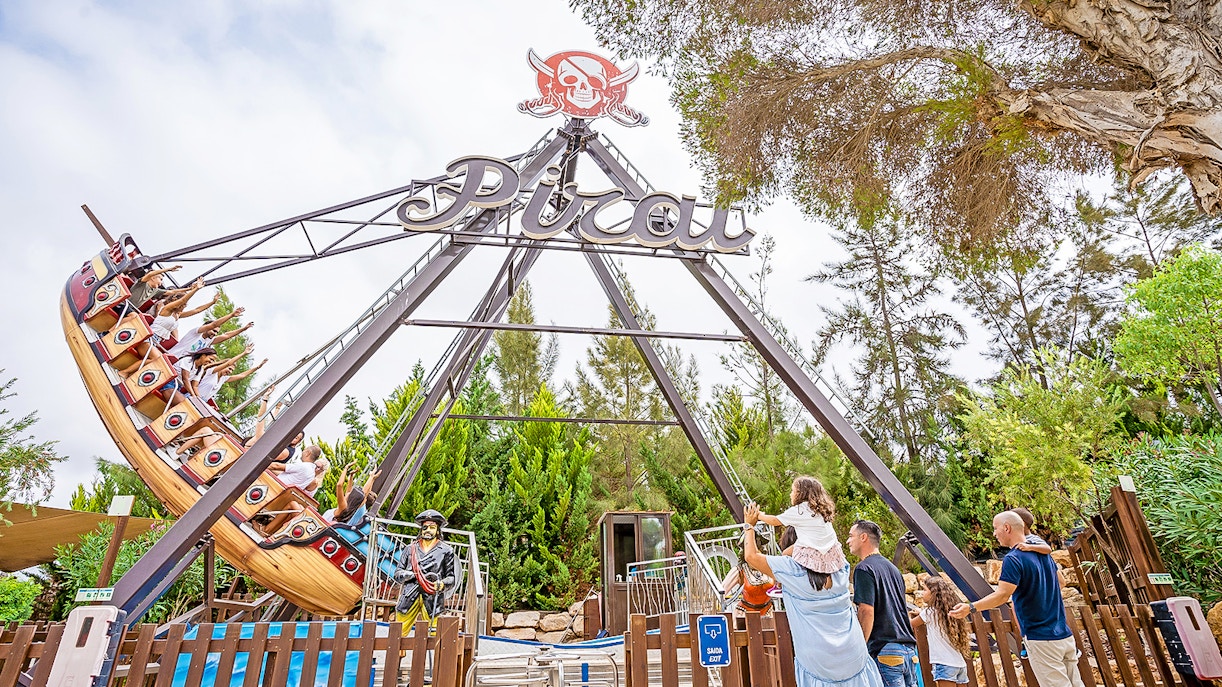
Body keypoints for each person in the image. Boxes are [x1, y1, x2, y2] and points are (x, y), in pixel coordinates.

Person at [744, 504, 883, 687]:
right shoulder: (840, 569)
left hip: (818, 664)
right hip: (854, 656)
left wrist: (749, 526)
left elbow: (751, 557)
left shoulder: (791, 570)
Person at [950, 512, 1084, 687]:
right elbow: (1061, 582)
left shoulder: (1013, 559)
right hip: (1063, 634)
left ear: (1007, 528)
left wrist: (971, 608)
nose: (995, 533)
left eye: (995, 528)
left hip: (1041, 637)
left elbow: (1002, 595)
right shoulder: (1044, 555)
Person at [848, 520, 919, 687]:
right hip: (908, 651)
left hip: (886, 652)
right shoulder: (894, 570)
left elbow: (866, 611)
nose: (848, 541)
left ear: (863, 537)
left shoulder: (864, 569)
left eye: (851, 536)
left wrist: (860, 646)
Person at [753, 476, 847, 575]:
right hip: (831, 550)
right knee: (792, 549)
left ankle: (782, 582)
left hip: (812, 550)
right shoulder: (821, 510)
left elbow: (775, 520)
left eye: (793, 491)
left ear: (800, 494)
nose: (790, 494)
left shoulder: (800, 510)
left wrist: (759, 515)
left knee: (785, 554)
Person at [393, 509, 458, 633]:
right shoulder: (410, 549)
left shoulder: (446, 550)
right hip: (409, 595)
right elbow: (397, 573)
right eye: (425, 527)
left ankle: (432, 652)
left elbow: (451, 577)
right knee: (399, 632)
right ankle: (399, 652)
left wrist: (442, 584)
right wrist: (408, 575)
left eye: (432, 527)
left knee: (434, 633)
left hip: (433, 597)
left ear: (438, 530)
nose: (428, 530)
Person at [909, 576, 970, 687]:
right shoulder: (948, 612)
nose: (921, 593)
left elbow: (910, 624)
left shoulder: (929, 613)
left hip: (944, 664)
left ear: (933, 593)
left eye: (924, 590)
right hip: (959, 664)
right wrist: (921, 612)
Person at [721, 529, 775, 616]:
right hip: (744, 615)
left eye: (757, 546)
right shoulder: (740, 570)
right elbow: (721, 592)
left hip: (768, 613)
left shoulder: (769, 567)